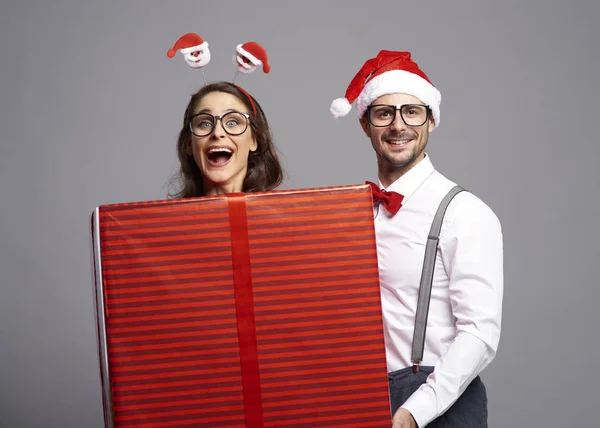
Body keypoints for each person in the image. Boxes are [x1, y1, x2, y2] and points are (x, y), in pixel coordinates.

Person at [330, 51, 503, 427]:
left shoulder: (464, 212)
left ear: (431, 120)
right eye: (383, 113)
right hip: (365, 400)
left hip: (439, 405)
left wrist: (414, 411)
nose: (398, 126)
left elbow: (480, 334)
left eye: (411, 112)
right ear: (365, 123)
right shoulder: (352, 213)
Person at [170, 81, 283, 197]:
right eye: (205, 124)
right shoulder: (169, 215)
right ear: (189, 143)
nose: (217, 133)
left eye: (232, 122)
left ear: (254, 140)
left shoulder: (282, 214)